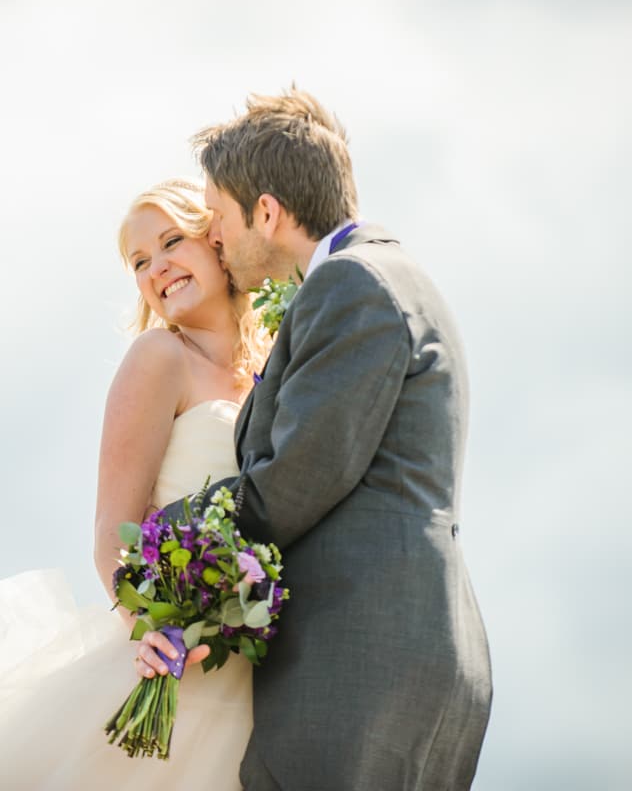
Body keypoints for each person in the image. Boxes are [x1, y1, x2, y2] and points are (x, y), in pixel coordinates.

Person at [0, 178, 270, 790]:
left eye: (171, 241)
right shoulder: (158, 358)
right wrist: (150, 629)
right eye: (139, 261)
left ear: (216, 240)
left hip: (260, 672)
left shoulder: (277, 363)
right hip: (173, 671)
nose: (156, 267)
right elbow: (112, 534)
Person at [135, 87, 494, 789]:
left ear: (266, 212)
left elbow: (291, 484)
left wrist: (153, 547)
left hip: (359, 654)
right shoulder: (389, 277)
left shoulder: (352, 285)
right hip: (405, 645)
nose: (214, 239)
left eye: (217, 221)